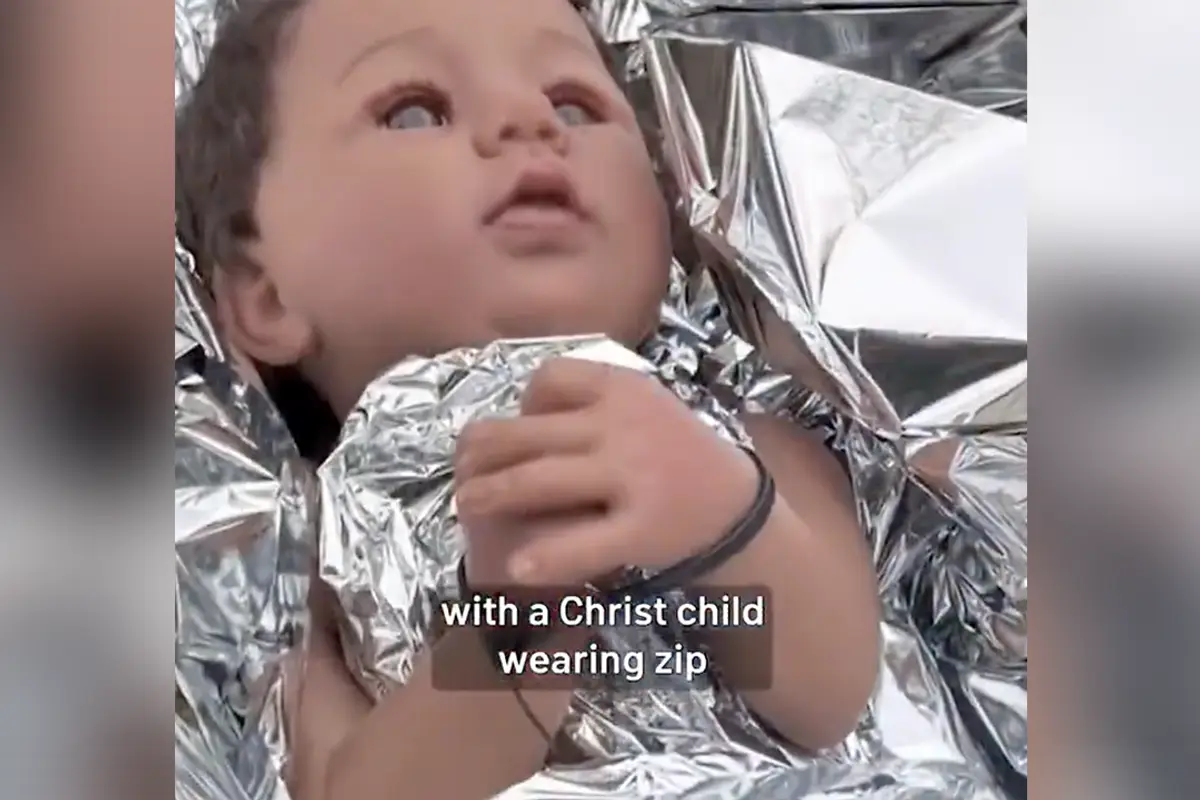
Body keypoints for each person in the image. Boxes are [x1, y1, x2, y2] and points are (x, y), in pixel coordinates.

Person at [175, 0, 881, 797]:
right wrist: (520, 635)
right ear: (265, 294)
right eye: (414, 110)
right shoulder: (296, 560)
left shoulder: (744, 445)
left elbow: (831, 691)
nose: (526, 119)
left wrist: (719, 514)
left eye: (574, 103)